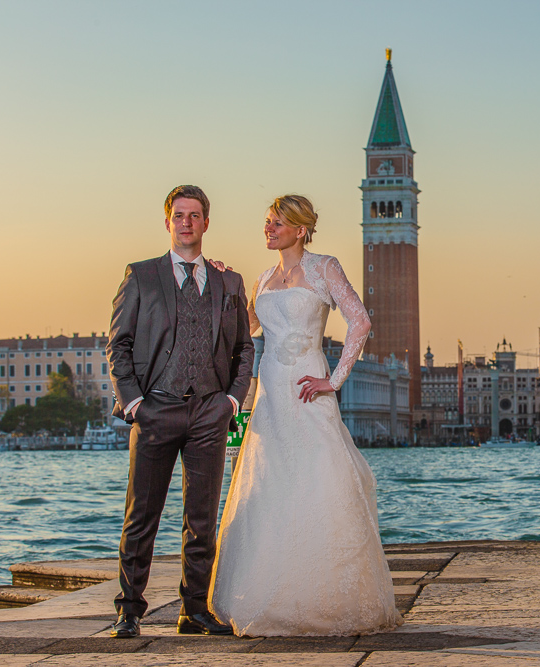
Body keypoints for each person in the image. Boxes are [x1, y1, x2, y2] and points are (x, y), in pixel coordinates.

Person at [209, 194, 400, 636]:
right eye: (267, 222)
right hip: (271, 390)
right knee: (270, 481)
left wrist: (334, 379)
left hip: (308, 384)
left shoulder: (324, 267)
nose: (268, 229)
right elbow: (245, 329)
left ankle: (326, 596)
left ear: (300, 229)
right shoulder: (262, 279)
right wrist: (224, 286)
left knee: (317, 476)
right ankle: (265, 594)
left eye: (277, 223)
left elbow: (361, 321)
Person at [106, 185, 254, 638]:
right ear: (167, 222)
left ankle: (194, 610)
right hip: (156, 410)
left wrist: (231, 400)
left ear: (206, 223)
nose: (186, 222)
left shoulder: (230, 281)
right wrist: (134, 403)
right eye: (179, 215)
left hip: (210, 412)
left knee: (202, 517)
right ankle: (129, 610)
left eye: (194, 215)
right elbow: (119, 345)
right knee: (141, 516)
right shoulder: (141, 275)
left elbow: (244, 349)